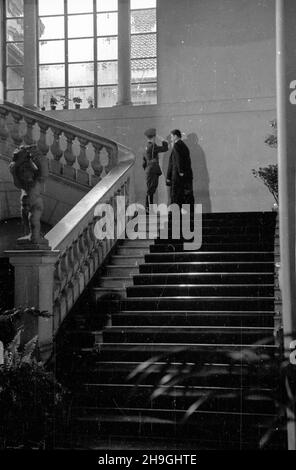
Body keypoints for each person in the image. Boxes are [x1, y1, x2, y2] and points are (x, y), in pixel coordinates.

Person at [166, 129, 194, 207]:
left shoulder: (177, 145)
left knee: (176, 196)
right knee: (183, 196)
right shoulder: (183, 145)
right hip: (184, 175)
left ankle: (176, 215)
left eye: (172, 136)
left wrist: (180, 171)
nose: (171, 138)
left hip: (177, 176)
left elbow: (178, 160)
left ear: (175, 136)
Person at [143, 128, 168, 213]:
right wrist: (163, 139)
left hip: (149, 169)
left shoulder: (146, 146)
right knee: (151, 190)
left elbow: (144, 162)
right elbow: (165, 148)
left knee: (150, 189)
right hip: (153, 170)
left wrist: (147, 168)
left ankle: (149, 208)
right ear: (154, 137)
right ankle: (149, 209)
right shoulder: (153, 146)